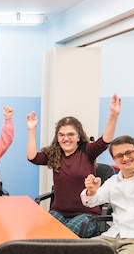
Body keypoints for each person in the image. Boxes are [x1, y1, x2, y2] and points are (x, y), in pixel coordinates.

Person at [27, 94, 121, 237]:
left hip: (87, 214)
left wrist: (113, 114)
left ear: (78, 136)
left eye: (71, 134)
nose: (66, 138)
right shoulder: (55, 154)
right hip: (59, 212)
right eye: (61, 135)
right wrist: (31, 130)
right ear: (57, 137)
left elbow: (105, 140)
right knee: (41, 235)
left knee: (65, 236)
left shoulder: (87, 151)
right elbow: (32, 157)